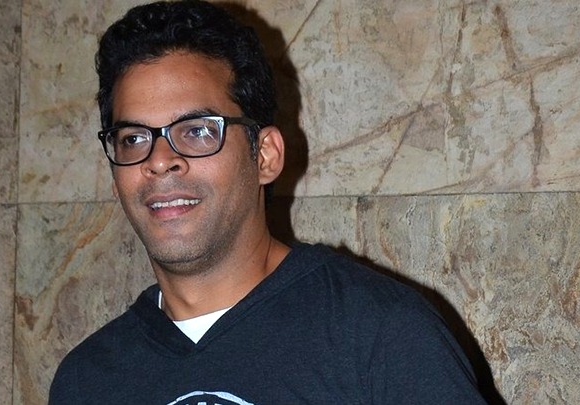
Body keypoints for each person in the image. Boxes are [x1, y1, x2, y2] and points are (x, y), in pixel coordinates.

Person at [49, 1, 487, 403]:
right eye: (133, 139)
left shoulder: (381, 335)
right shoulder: (85, 381)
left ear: (265, 156)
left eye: (197, 131)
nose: (160, 160)